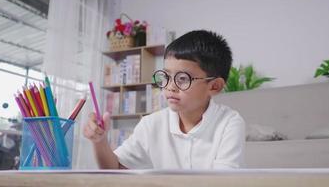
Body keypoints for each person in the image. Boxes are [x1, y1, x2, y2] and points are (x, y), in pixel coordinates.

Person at [84, 30, 245, 169]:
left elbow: (223, 181)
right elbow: (115, 168)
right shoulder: (151, 124)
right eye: (166, 76)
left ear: (214, 86)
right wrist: (100, 140)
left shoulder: (229, 123)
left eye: (182, 78)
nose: (170, 86)